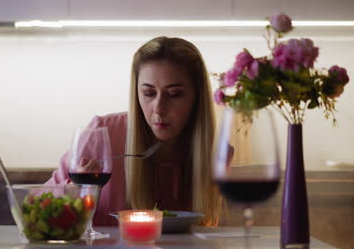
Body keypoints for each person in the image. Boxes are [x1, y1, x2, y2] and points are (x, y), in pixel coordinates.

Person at [46, 36, 223, 227]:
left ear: (197, 97)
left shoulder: (215, 151)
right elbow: (39, 207)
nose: (159, 108)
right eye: (148, 93)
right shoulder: (102, 135)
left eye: (174, 94)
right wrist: (74, 191)